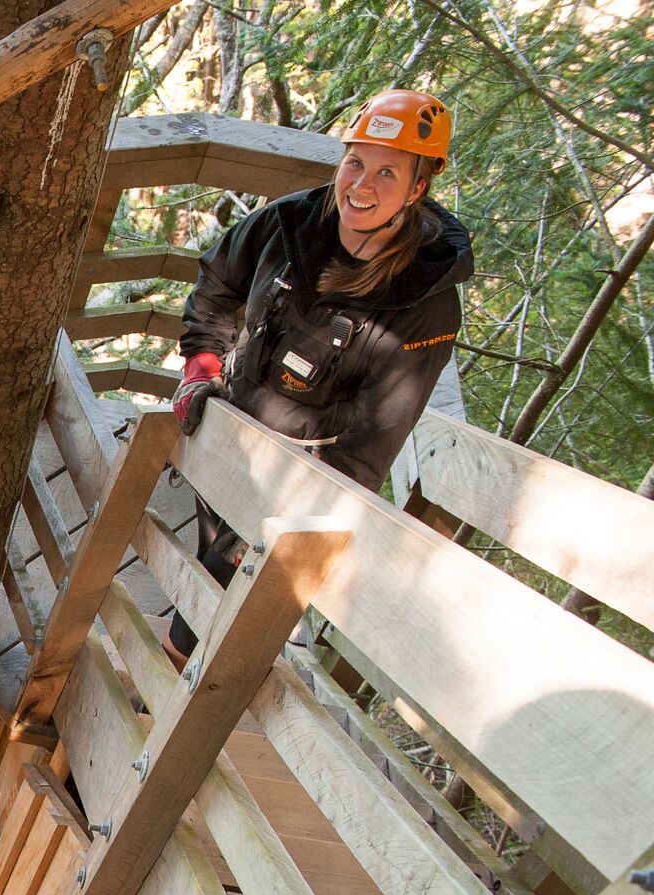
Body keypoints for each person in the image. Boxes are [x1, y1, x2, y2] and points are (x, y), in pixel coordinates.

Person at [169, 88, 472, 662]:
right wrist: (201, 366)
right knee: (205, 555)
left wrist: (304, 525)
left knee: (214, 599)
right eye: (355, 162)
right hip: (230, 421)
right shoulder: (291, 223)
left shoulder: (426, 303)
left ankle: (155, 705)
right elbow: (218, 281)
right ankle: (168, 683)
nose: (361, 185)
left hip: (301, 472)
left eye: (388, 173)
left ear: (418, 188)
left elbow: (374, 439)